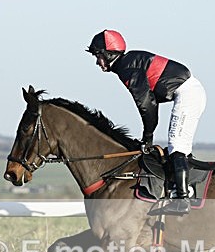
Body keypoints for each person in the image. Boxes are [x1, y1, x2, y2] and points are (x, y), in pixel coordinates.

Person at [86, 29, 206, 215]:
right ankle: (180, 189)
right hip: (188, 92)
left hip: (187, 93)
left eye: (98, 55)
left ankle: (182, 199)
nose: (97, 62)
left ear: (109, 54)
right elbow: (150, 104)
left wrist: (148, 136)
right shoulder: (128, 62)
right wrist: (148, 135)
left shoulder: (127, 69)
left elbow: (146, 105)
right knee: (177, 147)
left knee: (177, 145)